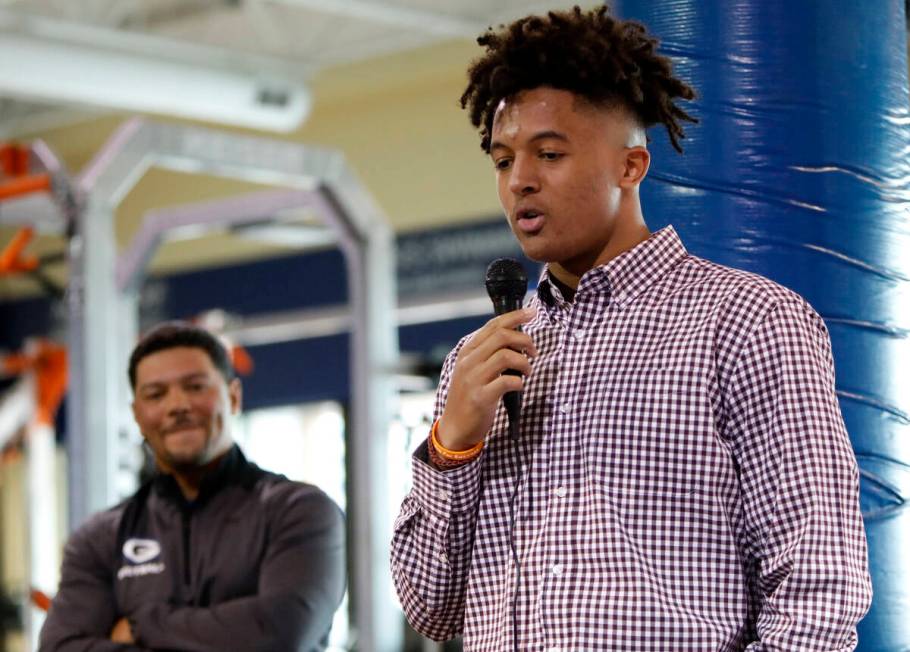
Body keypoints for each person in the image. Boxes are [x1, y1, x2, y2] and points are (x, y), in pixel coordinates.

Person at [391, 6, 872, 650]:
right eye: (503, 161)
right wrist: (451, 445)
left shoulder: (747, 322)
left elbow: (820, 586)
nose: (520, 182)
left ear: (632, 166)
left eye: (550, 153)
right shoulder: (479, 362)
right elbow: (432, 611)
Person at [39, 322, 345, 651]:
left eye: (195, 387)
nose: (177, 406)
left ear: (233, 397)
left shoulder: (299, 511)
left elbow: (281, 633)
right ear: (138, 415)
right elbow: (60, 646)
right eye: (156, 394)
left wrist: (142, 625)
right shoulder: (102, 537)